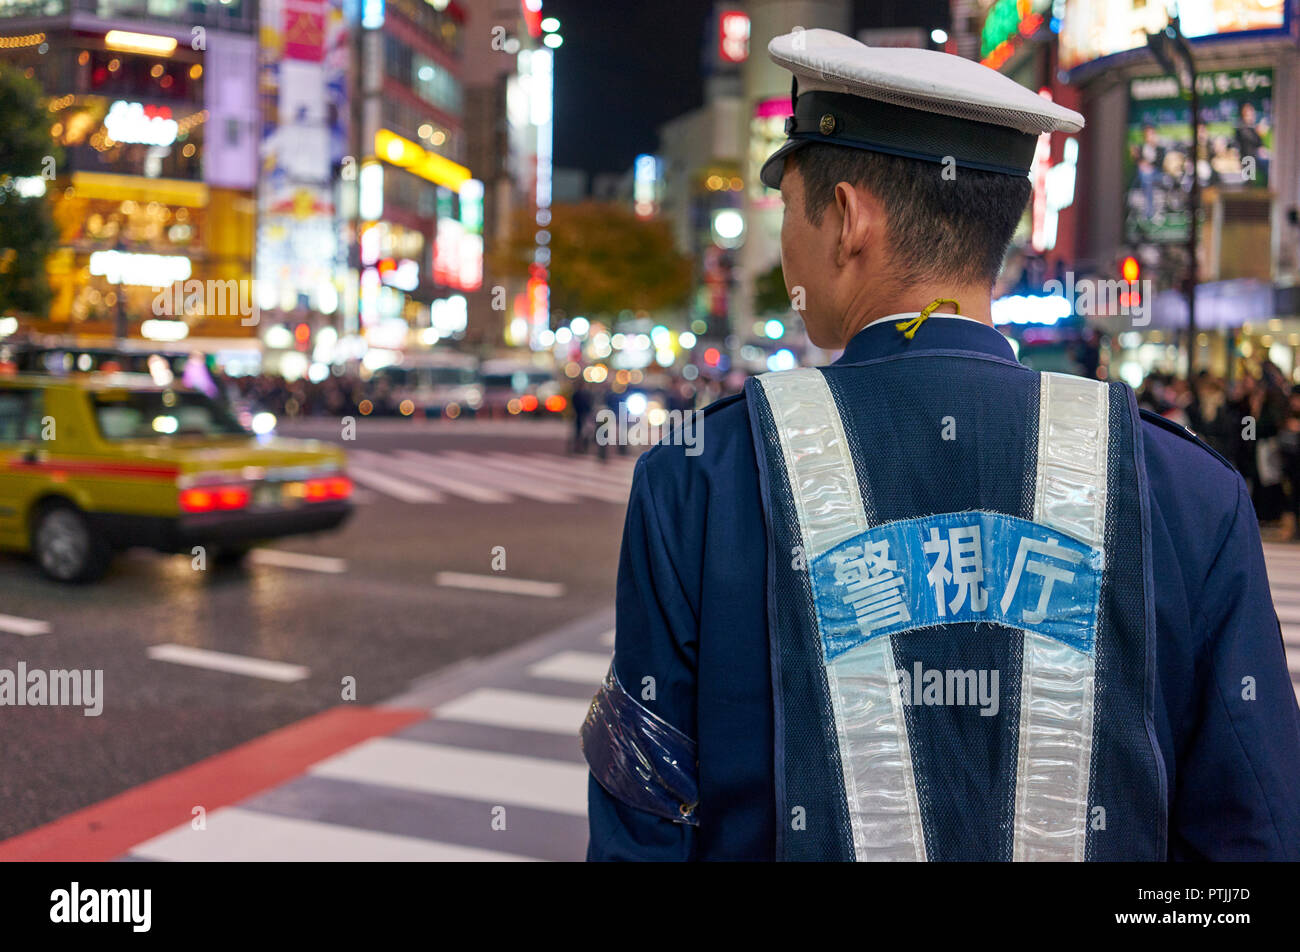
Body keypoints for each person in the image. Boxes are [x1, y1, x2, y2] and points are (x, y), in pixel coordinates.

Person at [580, 29, 1300, 861]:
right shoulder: (1189, 490)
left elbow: (644, 817)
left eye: (790, 208)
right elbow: (1258, 833)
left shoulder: (698, 480)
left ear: (848, 218)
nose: (786, 244)